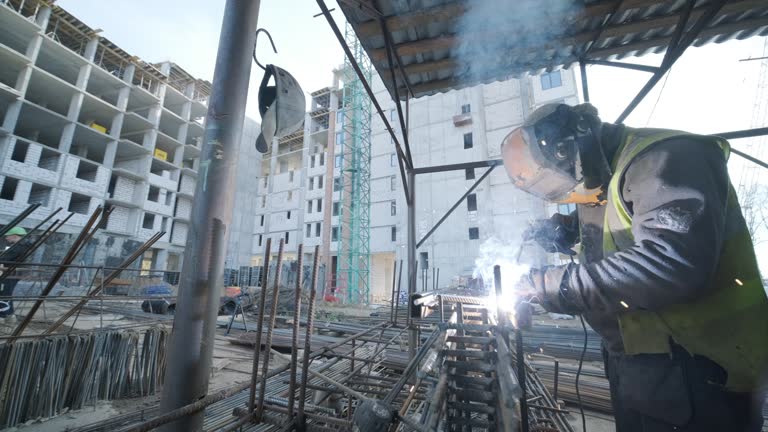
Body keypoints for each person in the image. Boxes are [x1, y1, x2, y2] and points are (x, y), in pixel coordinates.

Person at [502, 103, 768, 432]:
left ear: (577, 144)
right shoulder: (606, 176)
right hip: (640, 363)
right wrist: (564, 231)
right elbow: (620, 230)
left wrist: (552, 286)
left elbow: (669, 262)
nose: (571, 189)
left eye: (568, 175)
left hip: (703, 369)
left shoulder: (667, 158)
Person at [0, 226, 27, 324]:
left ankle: (2, 316)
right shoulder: (23, 245)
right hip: (14, 272)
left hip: (11, 273)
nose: (6, 238)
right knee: (7, 292)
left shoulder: (19, 247)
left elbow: (5, 258)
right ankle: (10, 316)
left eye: (8, 236)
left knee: (4, 294)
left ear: (14, 236)